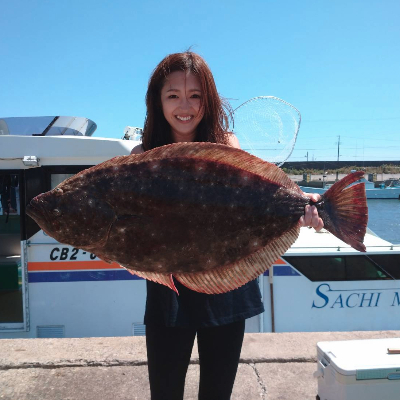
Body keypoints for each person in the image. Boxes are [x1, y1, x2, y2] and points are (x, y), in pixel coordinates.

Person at [131, 51, 323, 400]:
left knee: (217, 393)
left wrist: (302, 204)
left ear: (209, 100)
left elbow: (262, 195)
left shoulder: (226, 144)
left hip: (227, 282)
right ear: (157, 101)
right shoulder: (140, 158)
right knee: (164, 391)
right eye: (173, 95)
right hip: (169, 290)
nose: (184, 105)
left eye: (195, 96)